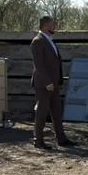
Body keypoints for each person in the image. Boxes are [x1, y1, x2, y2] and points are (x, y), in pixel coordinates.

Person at [30, 16, 75, 150]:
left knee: (56, 111)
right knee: (42, 112)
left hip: (53, 84)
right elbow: (39, 65)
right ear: (46, 26)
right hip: (44, 84)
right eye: (52, 25)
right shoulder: (37, 41)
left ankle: (61, 138)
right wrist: (47, 82)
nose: (54, 27)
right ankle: (38, 140)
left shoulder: (49, 41)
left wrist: (57, 81)